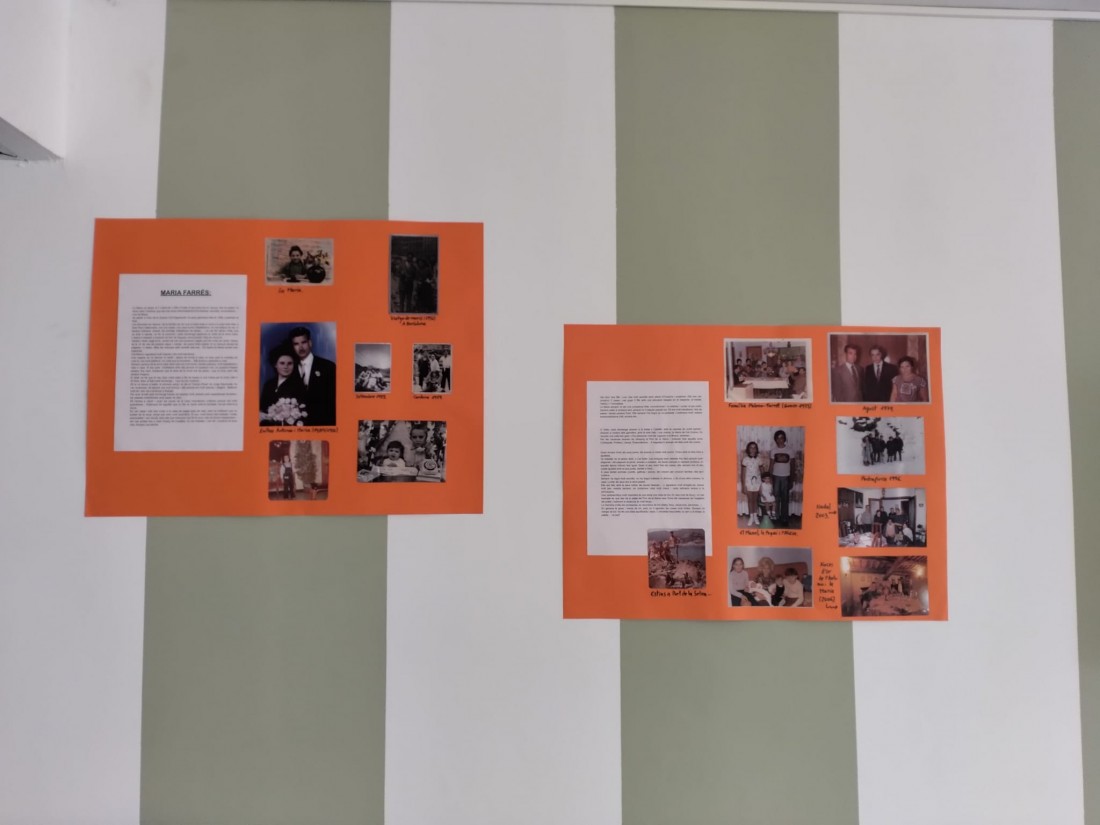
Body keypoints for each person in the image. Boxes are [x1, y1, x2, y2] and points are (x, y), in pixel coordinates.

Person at [288, 326, 337, 426]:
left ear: (310, 343)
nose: (300, 347)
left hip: (324, 425)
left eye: (304, 342)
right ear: (293, 347)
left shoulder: (328, 366)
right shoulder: (290, 369)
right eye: (296, 344)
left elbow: (334, 401)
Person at [260, 345, 307, 426]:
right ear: (275, 364)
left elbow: (302, 412)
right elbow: (262, 407)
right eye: (282, 363)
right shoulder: (268, 384)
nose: (286, 367)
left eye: (290, 363)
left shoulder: (299, 386)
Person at [769, 430, 797, 527]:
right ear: (775, 439)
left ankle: (784, 518)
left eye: (781, 438)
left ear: (784, 439)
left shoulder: (790, 450)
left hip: (786, 477)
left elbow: (793, 466)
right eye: (777, 438)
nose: (779, 440)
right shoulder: (773, 451)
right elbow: (771, 465)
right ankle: (776, 517)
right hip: (776, 477)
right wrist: (770, 478)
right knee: (776, 497)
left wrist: (792, 480)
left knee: (785, 498)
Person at [741, 441, 763, 527]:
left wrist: (762, 484)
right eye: (751, 447)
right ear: (748, 449)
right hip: (748, 482)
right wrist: (743, 485)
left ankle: (755, 516)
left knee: (756, 500)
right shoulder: (745, 460)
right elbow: (743, 474)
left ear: (756, 449)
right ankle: (751, 517)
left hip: (757, 482)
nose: (753, 449)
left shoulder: (759, 459)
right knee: (750, 500)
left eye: (754, 447)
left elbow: (762, 472)